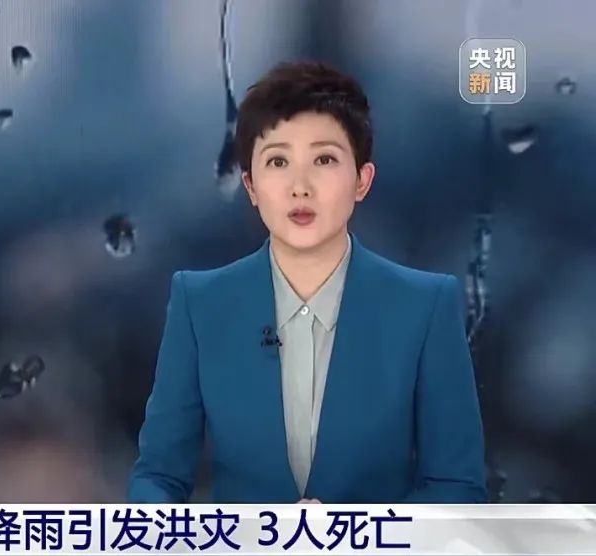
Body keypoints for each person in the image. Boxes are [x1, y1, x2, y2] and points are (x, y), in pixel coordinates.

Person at [127, 60, 487, 503]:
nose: (300, 187)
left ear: (362, 180)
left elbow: (456, 486)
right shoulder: (200, 304)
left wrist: (354, 533)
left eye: (324, 160)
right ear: (251, 186)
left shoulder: (425, 306)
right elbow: (159, 476)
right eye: (278, 161)